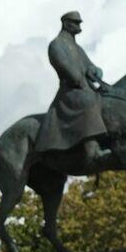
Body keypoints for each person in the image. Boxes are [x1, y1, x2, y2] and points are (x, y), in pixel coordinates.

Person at [34, 11, 110, 163]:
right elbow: (68, 71)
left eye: (79, 23)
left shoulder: (78, 48)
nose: (78, 26)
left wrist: (95, 71)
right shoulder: (56, 45)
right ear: (65, 23)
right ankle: (92, 149)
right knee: (88, 101)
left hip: (85, 87)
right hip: (70, 91)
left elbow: (90, 65)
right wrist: (79, 80)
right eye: (75, 23)